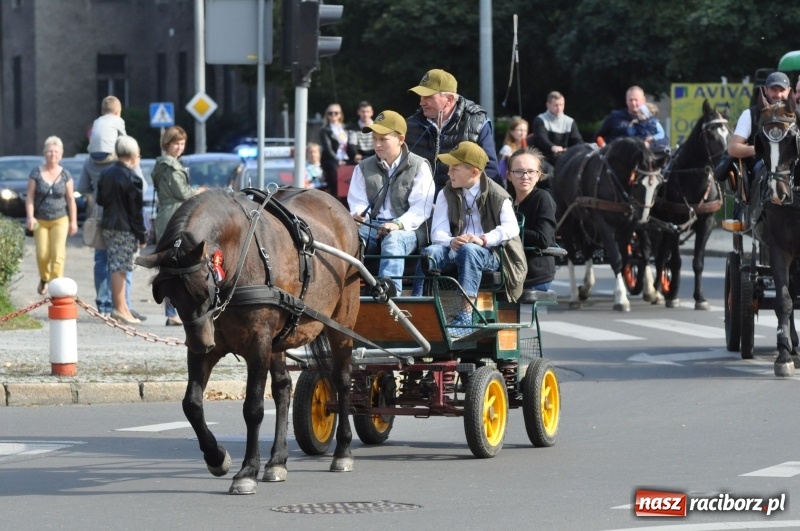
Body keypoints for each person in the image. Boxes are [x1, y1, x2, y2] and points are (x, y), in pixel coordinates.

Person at [411, 141, 526, 336]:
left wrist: (482, 239)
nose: (449, 173)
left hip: (491, 255)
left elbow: (511, 228)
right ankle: (415, 309)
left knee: (470, 250)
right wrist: (450, 241)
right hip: (456, 249)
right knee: (429, 253)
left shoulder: (498, 194)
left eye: (455, 169)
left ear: (474, 172)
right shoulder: (446, 193)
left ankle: (465, 317)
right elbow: (438, 232)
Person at [347, 110, 435, 293]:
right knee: (347, 238)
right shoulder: (362, 167)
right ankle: (343, 293)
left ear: (400, 139)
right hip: (371, 226)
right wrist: (358, 214)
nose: (377, 145)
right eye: (374, 139)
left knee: (393, 240)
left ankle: (389, 294)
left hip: (409, 230)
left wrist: (398, 224)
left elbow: (421, 208)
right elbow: (357, 202)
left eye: (383, 139)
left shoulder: (420, 166)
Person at [78, 95, 144, 320]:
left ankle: (104, 304)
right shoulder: (128, 166)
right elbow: (139, 189)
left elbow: (84, 188)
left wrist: (95, 200)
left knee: (102, 258)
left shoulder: (90, 160)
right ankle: (123, 304)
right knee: (124, 261)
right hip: (122, 218)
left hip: (101, 214)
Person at [405, 69, 500, 195]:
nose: (421, 102)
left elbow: (490, 171)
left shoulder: (478, 122)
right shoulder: (411, 124)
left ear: (449, 99)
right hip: (417, 206)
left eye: (428, 97)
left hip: (461, 205)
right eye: (421, 96)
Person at [96, 136, 146, 325]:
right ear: (134, 154)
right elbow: (136, 211)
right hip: (125, 228)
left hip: (109, 224)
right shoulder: (132, 177)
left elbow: (100, 200)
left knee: (120, 266)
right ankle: (119, 308)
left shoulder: (106, 173)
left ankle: (123, 307)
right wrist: (142, 235)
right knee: (120, 267)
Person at [152, 125, 198, 326]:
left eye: (182, 143)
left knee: (174, 263)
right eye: (175, 144)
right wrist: (199, 191)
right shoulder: (170, 166)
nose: (179, 147)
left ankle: (175, 311)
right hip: (173, 215)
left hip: (169, 212)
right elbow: (183, 193)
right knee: (175, 264)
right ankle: (172, 313)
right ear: (167, 144)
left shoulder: (164, 164)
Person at [25, 136, 78, 295]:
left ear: (61, 154)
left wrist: (73, 221)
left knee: (57, 254)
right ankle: (44, 278)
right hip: (40, 220)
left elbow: (70, 199)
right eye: (49, 151)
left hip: (60, 219)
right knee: (42, 254)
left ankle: (56, 288)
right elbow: (30, 197)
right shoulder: (36, 172)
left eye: (56, 151)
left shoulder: (65, 174)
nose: (53, 154)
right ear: (45, 153)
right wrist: (30, 216)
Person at [506, 147, 557, 291]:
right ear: (509, 175)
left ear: (539, 175)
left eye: (530, 171)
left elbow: (543, 239)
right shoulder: (505, 200)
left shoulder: (543, 198)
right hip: (509, 269)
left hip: (535, 272)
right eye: (518, 171)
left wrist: (509, 230)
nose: (525, 176)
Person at [594, 85, 669, 148]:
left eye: (636, 100)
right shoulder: (615, 117)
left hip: (643, 157)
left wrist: (649, 144)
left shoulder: (651, 120)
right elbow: (598, 137)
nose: (633, 103)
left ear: (643, 100)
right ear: (626, 101)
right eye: (631, 100)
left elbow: (664, 140)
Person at [530, 91, 584, 167]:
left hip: (564, 157)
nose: (559, 108)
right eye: (556, 105)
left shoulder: (569, 122)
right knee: (550, 173)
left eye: (561, 105)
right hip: (543, 158)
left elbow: (578, 141)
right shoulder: (540, 120)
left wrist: (571, 150)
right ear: (548, 105)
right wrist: (552, 147)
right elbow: (541, 138)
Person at [319, 103, 349, 199]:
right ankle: (336, 197)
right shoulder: (325, 130)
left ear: (340, 114)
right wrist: (337, 160)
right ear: (327, 115)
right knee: (335, 171)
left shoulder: (345, 128)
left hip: (346, 157)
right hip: (332, 159)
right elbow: (328, 148)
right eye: (330, 113)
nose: (333, 115)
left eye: (336, 113)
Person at [497, 117, 528, 188]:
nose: (523, 133)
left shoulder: (525, 148)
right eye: (520, 130)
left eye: (525, 130)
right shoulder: (506, 149)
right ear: (512, 132)